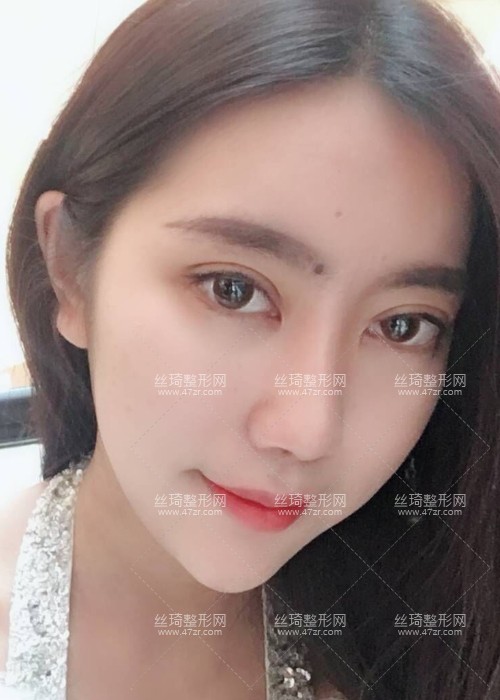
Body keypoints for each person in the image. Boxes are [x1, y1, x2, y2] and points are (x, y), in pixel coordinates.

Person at [1, 0, 500, 697]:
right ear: (69, 270)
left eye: (403, 326)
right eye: (233, 290)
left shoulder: (439, 640)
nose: (308, 431)